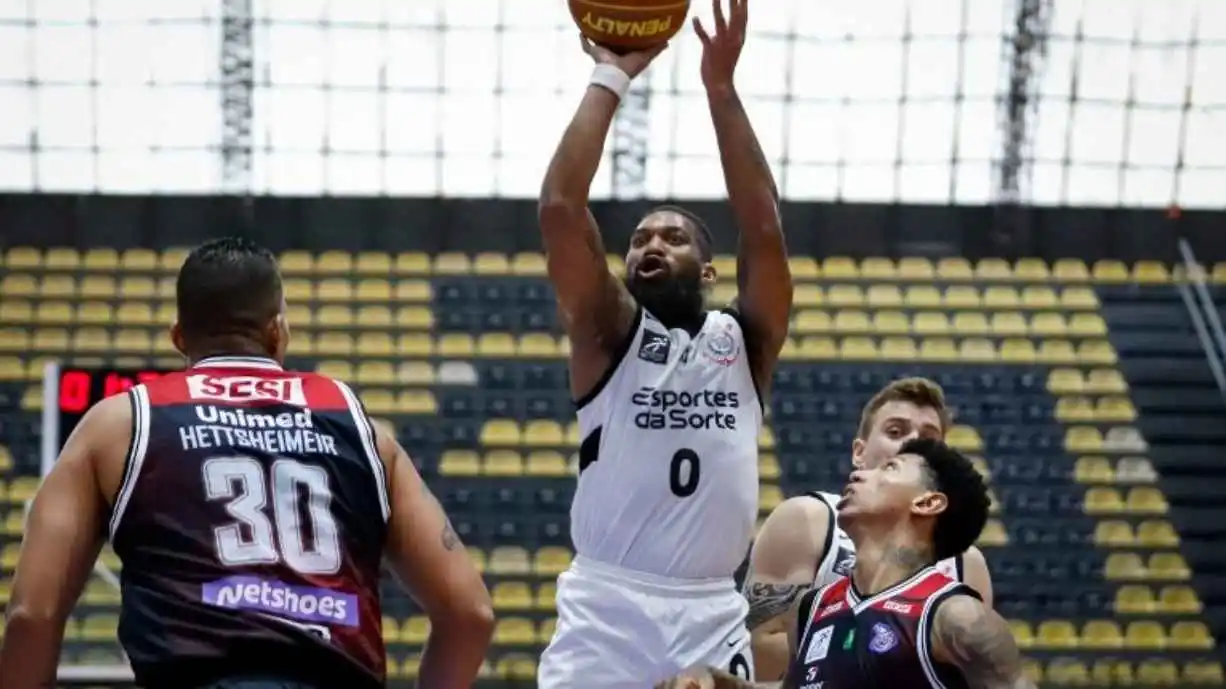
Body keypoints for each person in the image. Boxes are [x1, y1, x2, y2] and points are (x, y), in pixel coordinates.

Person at [0, 238, 495, 689]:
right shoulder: (361, 426)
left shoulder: (118, 424)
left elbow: (31, 616)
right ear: (277, 332)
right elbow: (469, 614)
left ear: (178, 336)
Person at [535, 0, 792, 685]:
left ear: (708, 270)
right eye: (640, 238)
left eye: (672, 237)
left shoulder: (747, 339)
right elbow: (562, 208)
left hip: (711, 607)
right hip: (606, 603)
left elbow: (763, 225)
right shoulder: (606, 330)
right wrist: (610, 76)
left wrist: (720, 89)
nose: (651, 244)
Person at [657, 438, 1034, 689]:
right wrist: (720, 683)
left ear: (927, 503)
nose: (859, 473)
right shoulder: (814, 607)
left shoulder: (956, 618)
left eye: (890, 468)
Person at [743, 377, 995, 680]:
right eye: (895, 431)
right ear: (859, 452)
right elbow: (757, 652)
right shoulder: (808, 519)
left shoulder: (966, 563)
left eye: (928, 438)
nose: (910, 443)